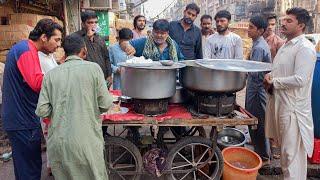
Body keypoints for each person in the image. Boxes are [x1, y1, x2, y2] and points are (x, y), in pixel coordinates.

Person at [36, 34, 113, 180]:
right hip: (87, 142)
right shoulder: (94, 69)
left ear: (64, 52)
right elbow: (106, 104)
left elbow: (42, 110)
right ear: (84, 51)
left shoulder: (50, 75)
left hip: (59, 143)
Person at [2, 18, 63, 180]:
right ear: (44, 37)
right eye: (56, 40)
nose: (58, 45)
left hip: (22, 117)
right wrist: (64, 77)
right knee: (29, 169)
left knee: (27, 165)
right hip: (22, 119)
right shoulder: (26, 50)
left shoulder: (27, 49)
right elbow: (37, 83)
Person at [264, 7, 316, 180]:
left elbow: (301, 79)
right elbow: (281, 72)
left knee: (291, 157)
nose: (283, 23)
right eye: (283, 20)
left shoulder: (305, 48)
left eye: (289, 21)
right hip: (281, 105)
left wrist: (274, 82)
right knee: (286, 157)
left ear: (300, 25)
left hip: (293, 111)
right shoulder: (286, 45)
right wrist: (271, 77)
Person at [246, 15, 271, 164]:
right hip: (255, 87)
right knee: (255, 120)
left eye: (251, 27)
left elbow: (254, 71)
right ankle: (260, 151)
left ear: (260, 30)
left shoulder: (260, 47)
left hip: (257, 89)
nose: (248, 30)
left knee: (258, 121)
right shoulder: (257, 43)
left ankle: (263, 156)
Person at [74, 10, 112, 88]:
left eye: (95, 22)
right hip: (85, 79)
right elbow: (77, 57)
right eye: (90, 23)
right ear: (83, 24)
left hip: (102, 77)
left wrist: (109, 75)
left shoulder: (100, 38)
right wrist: (88, 37)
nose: (93, 25)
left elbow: (106, 57)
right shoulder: (76, 37)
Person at [120, 19, 184, 61]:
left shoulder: (173, 44)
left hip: (169, 79)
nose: (159, 35)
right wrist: (127, 46)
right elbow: (123, 43)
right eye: (156, 32)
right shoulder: (143, 42)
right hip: (147, 79)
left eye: (162, 33)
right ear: (152, 31)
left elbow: (181, 59)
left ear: (167, 33)